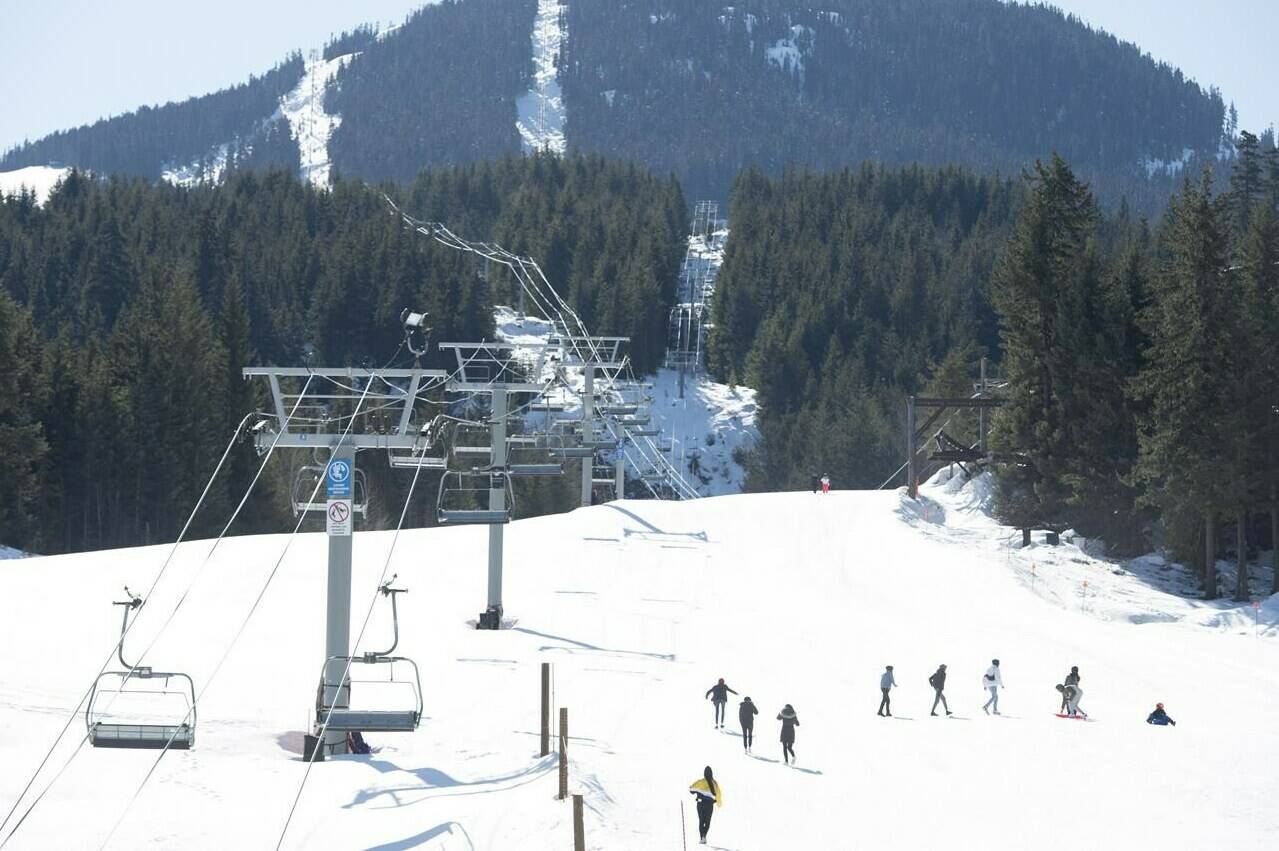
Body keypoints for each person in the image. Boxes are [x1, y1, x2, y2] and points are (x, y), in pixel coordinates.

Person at [689, 765, 722, 845]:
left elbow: (691, 789)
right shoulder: (714, 783)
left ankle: (702, 838)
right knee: (707, 821)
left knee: (701, 821)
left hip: (700, 804)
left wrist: (697, 791)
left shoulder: (700, 782)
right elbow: (718, 794)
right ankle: (704, 836)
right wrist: (718, 803)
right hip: (709, 805)